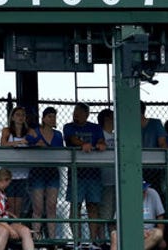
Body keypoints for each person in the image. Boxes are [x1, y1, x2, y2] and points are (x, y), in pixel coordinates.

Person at [63, 102, 106, 245]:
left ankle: (93, 241)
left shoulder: (95, 128)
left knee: (93, 207)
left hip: (93, 174)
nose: (76, 115)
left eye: (80, 112)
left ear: (86, 115)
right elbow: (71, 139)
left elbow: (101, 139)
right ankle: (77, 241)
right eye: (75, 112)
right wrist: (83, 144)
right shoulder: (68, 127)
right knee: (75, 206)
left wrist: (100, 144)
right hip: (77, 174)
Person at [26, 106, 64, 241]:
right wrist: (36, 145)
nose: (52, 119)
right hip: (38, 172)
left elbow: (62, 153)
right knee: (38, 207)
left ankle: (52, 239)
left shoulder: (58, 135)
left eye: (54, 116)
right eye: (49, 116)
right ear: (43, 119)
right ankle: (36, 237)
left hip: (52, 171)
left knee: (51, 205)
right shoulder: (35, 132)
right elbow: (27, 145)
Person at [109, 181, 165, 250]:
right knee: (114, 234)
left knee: (158, 233)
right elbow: (117, 223)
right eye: (141, 191)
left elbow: (160, 216)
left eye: (145, 190)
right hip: (129, 231)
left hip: (149, 232)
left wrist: (162, 239)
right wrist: (138, 231)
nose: (144, 193)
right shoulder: (126, 196)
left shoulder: (152, 193)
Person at [0, 106, 30, 218]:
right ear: (12, 117)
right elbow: (3, 144)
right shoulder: (7, 131)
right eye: (18, 115)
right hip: (10, 173)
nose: (20, 117)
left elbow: (38, 142)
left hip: (23, 173)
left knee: (19, 205)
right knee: (11, 204)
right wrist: (16, 143)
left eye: (23, 115)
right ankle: (11, 226)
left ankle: (17, 226)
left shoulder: (29, 132)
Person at [96, 109, 116, 242]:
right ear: (107, 119)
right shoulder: (99, 135)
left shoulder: (117, 136)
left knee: (115, 215)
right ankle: (102, 241)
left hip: (117, 181)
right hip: (104, 181)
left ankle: (114, 241)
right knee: (104, 214)